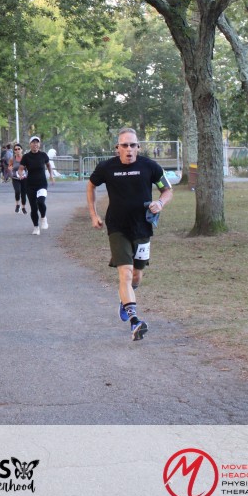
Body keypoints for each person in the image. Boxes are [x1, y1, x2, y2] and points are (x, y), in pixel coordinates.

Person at [86, 127, 173, 341]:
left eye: (132, 145)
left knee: (136, 275)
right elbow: (91, 186)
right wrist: (93, 215)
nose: (129, 149)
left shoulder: (149, 166)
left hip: (142, 227)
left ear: (138, 147)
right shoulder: (107, 167)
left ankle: (126, 300)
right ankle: (135, 320)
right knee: (125, 273)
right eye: (124, 145)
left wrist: (160, 203)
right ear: (117, 148)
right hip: (117, 228)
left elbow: (167, 189)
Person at [19, 136, 54, 235]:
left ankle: (43, 217)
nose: (35, 144)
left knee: (41, 202)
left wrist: (51, 175)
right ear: (30, 144)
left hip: (42, 183)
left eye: (37, 142)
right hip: (30, 184)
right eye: (33, 142)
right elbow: (20, 169)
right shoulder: (26, 157)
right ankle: (36, 227)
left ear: (39, 144)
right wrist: (21, 175)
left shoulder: (43, 155)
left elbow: (48, 165)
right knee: (34, 208)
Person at [9, 143, 28, 214]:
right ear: (14, 151)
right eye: (15, 149)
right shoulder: (12, 159)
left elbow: (28, 167)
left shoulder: (25, 158)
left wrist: (25, 174)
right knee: (17, 191)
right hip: (15, 178)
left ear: (21, 150)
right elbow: (9, 166)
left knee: (23, 193)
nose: (17, 150)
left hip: (24, 178)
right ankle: (17, 205)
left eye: (18, 149)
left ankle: (23, 207)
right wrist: (10, 168)